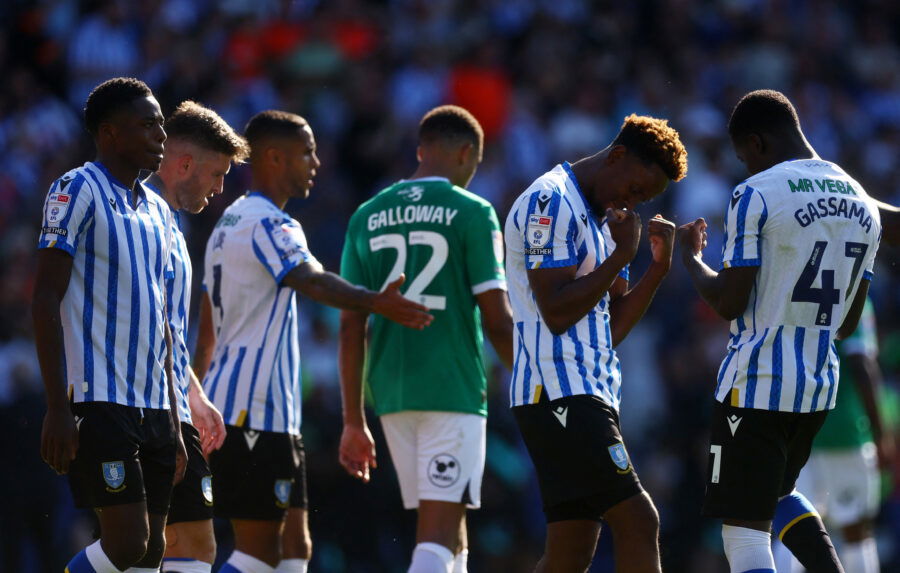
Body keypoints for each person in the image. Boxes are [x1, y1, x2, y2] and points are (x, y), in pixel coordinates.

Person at [192, 110, 433, 573]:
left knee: (295, 548)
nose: (317, 163)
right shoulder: (269, 224)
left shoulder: (227, 223)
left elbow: (207, 328)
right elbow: (312, 281)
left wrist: (197, 396)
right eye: (307, 152)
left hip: (263, 409)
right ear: (274, 158)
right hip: (252, 409)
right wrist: (373, 300)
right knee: (259, 553)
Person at [676, 89, 882, 573]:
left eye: (746, 156)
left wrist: (690, 258)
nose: (747, 166)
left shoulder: (757, 193)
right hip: (816, 389)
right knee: (781, 493)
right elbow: (848, 322)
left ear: (757, 142)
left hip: (756, 382)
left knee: (742, 531)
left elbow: (728, 299)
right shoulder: (862, 201)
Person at [505, 114, 687, 572]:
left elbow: (611, 328)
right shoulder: (550, 200)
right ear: (619, 155)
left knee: (570, 550)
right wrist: (623, 255)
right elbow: (557, 310)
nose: (635, 201)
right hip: (557, 393)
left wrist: (656, 269)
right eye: (636, 188)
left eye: (645, 199)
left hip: (587, 393)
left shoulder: (605, 221)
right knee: (639, 520)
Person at [338, 105, 513, 573]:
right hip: (450, 387)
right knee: (436, 537)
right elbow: (497, 318)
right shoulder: (473, 212)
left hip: (392, 393)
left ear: (420, 150)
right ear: (465, 153)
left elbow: (351, 325)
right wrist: (531, 375)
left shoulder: (367, 215)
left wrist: (354, 420)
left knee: (447, 530)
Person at [33, 77, 186, 572]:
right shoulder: (76, 188)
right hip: (99, 399)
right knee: (125, 545)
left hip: (154, 403)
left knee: (152, 553)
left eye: (162, 124)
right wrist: (59, 406)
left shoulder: (161, 211)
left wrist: (176, 418)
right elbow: (44, 299)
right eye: (148, 124)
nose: (161, 134)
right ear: (109, 133)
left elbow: (163, 318)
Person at [143, 100, 249, 573]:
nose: (220, 188)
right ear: (185, 163)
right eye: (217, 173)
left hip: (168, 405)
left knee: (186, 547)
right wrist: (172, 415)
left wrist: (195, 397)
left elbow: (167, 329)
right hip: (138, 409)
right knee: (136, 548)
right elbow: (141, 326)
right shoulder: (138, 218)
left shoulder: (172, 224)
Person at [774, 297, 893, 573]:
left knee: (791, 526)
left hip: (799, 431)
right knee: (856, 530)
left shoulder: (799, 286)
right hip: (844, 433)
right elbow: (861, 363)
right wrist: (881, 434)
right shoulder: (854, 293)